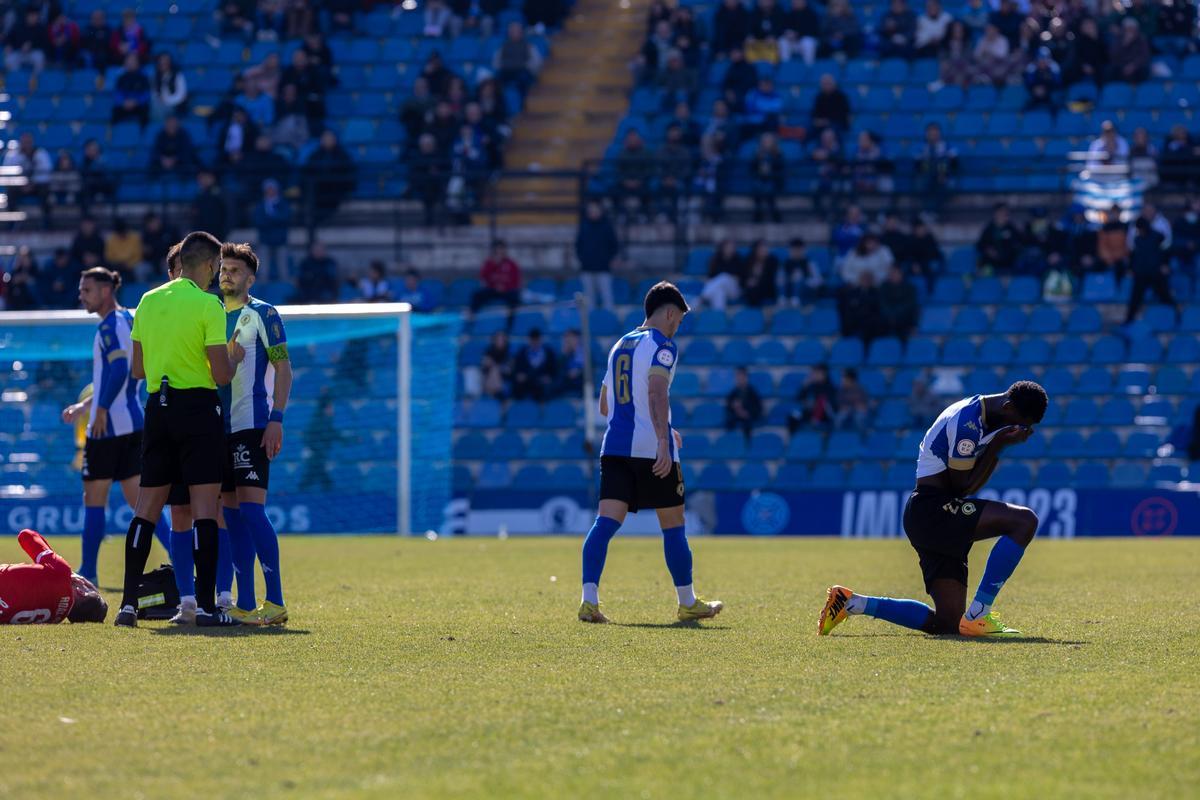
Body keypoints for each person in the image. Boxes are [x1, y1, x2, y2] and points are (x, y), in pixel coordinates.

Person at [820, 381, 1049, 637]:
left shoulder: (983, 416)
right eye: (1021, 423)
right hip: (934, 510)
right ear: (1007, 407)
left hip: (930, 513)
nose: (1021, 430)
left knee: (948, 624)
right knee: (1024, 521)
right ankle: (979, 614)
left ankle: (852, 602)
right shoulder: (967, 423)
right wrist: (998, 446)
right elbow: (962, 487)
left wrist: (998, 442)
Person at [116, 231, 242, 628]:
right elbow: (221, 374)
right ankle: (206, 607)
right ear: (208, 266)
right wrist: (234, 358)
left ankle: (128, 606)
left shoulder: (147, 301)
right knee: (206, 509)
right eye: (216, 269)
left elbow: (137, 370)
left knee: (146, 511)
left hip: (158, 409)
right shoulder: (209, 305)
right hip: (197, 409)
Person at [579, 282, 722, 624]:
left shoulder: (619, 345)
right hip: (651, 450)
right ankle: (687, 602)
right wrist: (662, 439)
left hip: (614, 447)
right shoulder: (663, 346)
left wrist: (654, 424)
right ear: (670, 312)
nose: (678, 327)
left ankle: (588, 601)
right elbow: (658, 393)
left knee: (604, 523)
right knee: (673, 526)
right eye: (679, 320)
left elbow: (604, 404)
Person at [211, 243, 292, 625]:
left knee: (251, 510)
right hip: (216, 428)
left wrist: (276, 417)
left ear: (250, 278)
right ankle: (244, 603)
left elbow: (284, 369)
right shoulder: (210, 313)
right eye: (224, 268)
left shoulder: (263, 313)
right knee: (229, 513)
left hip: (252, 423)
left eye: (236, 270)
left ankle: (274, 601)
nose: (227, 274)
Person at [57, 267, 153, 586]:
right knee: (143, 504)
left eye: (86, 290)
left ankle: (89, 572)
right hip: (134, 423)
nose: (81, 295)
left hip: (107, 429)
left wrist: (99, 410)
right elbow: (123, 374)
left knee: (93, 499)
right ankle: (182, 569)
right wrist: (85, 405)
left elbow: (119, 368)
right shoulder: (129, 319)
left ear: (106, 291)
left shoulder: (108, 327)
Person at [0, 530, 108, 624]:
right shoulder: (56, 618)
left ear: (81, 592)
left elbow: (25, 535)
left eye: (89, 586)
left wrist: (68, 571)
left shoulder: (62, 573)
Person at [1125, 218, 1182, 325]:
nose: (1139, 231)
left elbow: (1167, 251)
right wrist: (1131, 268)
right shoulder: (1137, 239)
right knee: (1135, 300)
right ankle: (1128, 322)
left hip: (1156, 273)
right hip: (1141, 274)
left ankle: (1178, 317)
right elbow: (1134, 256)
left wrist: (1165, 264)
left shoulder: (1158, 236)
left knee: (1165, 297)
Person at [576, 200, 620, 310]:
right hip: (587, 267)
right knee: (589, 298)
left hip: (604, 267)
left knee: (607, 296)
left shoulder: (607, 227)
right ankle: (589, 323)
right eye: (591, 211)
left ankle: (609, 320)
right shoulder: (584, 226)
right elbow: (578, 245)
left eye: (595, 211)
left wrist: (611, 259)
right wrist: (582, 259)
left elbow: (614, 245)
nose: (593, 213)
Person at [470, 240, 522, 316]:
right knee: (477, 294)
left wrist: (505, 287)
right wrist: (494, 264)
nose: (500, 252)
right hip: (493, 289)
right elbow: (483, 277)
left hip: (507, 290)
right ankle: (473, 316)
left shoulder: (511, 264)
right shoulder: (489, 263)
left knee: (515, 296)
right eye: (497, 249)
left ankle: (511, 319)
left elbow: (516, 281)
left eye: (502, 249)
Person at [512, 328, 559, 402]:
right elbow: (517, 369)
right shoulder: (522, 352)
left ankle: (543, 408)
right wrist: (519, 375)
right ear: (529, 340)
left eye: (536, 340)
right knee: (517, 386)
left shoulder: (549, 352)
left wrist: (549, 377)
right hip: (526, 380)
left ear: (540, 340)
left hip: (541, 381)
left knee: (547, 388)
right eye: (532, 340)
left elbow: (554, 369)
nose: (534, 343)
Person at [787, 364, 836, 433]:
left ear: (824, 374)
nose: (814, 375)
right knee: (794, 416)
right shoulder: (812, 385)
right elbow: (798, 398)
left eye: (817, 373)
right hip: (811, 412)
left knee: (821, 401)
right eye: (814, 373)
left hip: (825, 415)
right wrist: (804, 386)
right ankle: (793, 439)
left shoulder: (830, 387)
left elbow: (830, 404)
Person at [975, 202, 1021, 274]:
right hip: (992, 262)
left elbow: (1019, 242)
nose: (1003, 215)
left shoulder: (1011, 228)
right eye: (1001, 212)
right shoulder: (989, 229)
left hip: (1008, 262)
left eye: (1005, 213)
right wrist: (989, 250)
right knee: (983, 265)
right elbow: (980, 245)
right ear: (995, 214)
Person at [879, 264, 920, 340]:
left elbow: (910, 304)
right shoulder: (883, 287)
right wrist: (891, 315)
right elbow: (883, 304)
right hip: (887, 318)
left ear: (901, 274)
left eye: (896, 273)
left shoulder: (909, 288)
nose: (893, 276)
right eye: (891, 274)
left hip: (903, 318)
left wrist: (897, 314)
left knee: (907, 323)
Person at [701, 238, 742, 310]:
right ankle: (719, 317)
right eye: (728, 247)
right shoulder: (716, 259)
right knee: (719, 292)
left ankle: (703, 297)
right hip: (720, 288)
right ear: (723, 247)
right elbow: (710, 277)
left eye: (732, 247)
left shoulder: (738, 259)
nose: (730, 249)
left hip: (734, 291)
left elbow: (740, 279)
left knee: (724, 277)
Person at [112, 52, 151, 127]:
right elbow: (117, 93)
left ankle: (143, 136)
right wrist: (123, 102)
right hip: (124, 104)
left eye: (133, 60)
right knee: (115, 112)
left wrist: (136, 102)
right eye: (129, 60)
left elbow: (146, 94)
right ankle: (113, 135)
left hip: (138, 105)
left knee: (145, 113)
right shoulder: (121, 78)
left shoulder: (143, 77)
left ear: (138, 62)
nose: (131, 63)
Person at [780, 236, 821, 305]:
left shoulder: (809, 263)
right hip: (789, 288)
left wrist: (803, 280)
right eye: (793, 250)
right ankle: (782, 299)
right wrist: (790, 279)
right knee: (780, 277)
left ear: (803, 250)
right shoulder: (786, 263)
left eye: (798, 250)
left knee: (798, 276)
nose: (796, 252)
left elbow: (818, 280)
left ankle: (795, 300)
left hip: (806, 290)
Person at [725, 366, 762, 440]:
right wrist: (735, 408)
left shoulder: (752, 392)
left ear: (746, 377)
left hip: (748, 416)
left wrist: (747, 413)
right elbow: (728, 406)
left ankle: (747, 445)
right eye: (738, 376)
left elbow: (758, 407)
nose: (740, 378)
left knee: (747, 423)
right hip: (736, 415)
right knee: (728, 421)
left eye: (742, 376)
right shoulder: (733, 393)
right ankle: (729, 442)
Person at [741, 240, 778, 306]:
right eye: (760, 250)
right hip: (751, 288)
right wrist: (749, 281)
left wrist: (758, 279)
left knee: (755, 290)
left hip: (767, 287)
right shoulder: (749, 261)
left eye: (764, 249)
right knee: (751, 290)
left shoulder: (772, 261)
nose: (763, 251)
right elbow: (744, 277)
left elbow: (771, 279)